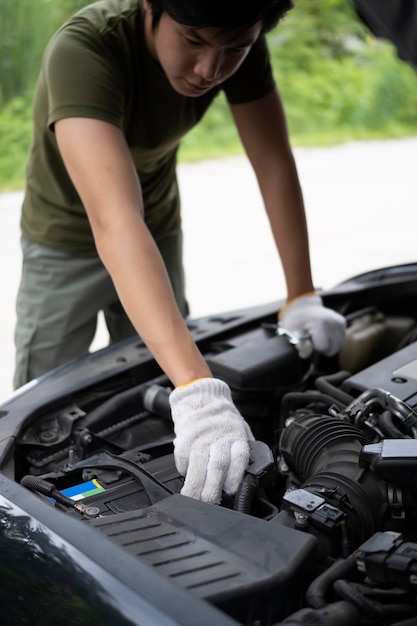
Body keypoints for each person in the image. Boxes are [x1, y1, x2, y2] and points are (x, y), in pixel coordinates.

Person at [14, 0, 346, 504]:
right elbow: (113, 219)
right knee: (44, 415)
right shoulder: (85, 48)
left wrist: (300, 293)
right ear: (152, 6)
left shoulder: (237, 35)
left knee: (157, 368)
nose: (209, 70)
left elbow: (273, 162)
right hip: (65, 238)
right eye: (193, 41)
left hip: (155, 222)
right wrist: (199, 391)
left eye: (233, 50)